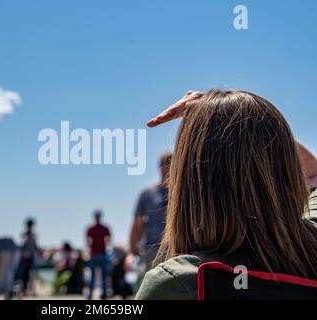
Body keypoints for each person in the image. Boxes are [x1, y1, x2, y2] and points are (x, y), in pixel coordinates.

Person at [136, 90, 317, 299]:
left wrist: (219, 113)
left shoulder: (178, 283)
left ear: (192, 181)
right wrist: (253, 122)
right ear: (288, 166)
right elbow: (313, 173)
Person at [129, 152, 172, 271]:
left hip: (175, 248)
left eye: (169, 162)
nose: (165, 166)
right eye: (162, 163)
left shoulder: (182, 193)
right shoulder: (147, 193)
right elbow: (137, 225)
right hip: (151, 249)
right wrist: (131, 253)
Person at [86, 210, 111, 300]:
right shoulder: (95, 228)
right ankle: (92, 295)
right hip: (97, 254)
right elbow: (108, 240)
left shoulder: (94, 228)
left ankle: (102, 294)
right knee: (95, 276)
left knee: (102, 275)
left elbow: (88, 242)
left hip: (100, 254)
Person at [16, 218, 39, 296]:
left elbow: (35, 247)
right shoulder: (25, 234)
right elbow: (21, 245)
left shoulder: (33, 235)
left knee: (30, 274)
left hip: (30, 258)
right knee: (23, 275)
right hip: (24, 258)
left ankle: (28, 290)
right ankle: (23, 290)